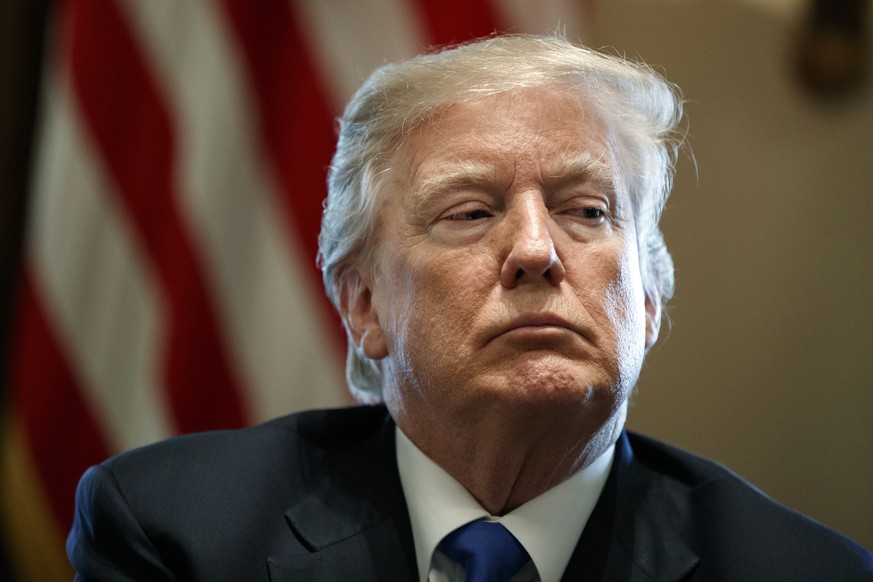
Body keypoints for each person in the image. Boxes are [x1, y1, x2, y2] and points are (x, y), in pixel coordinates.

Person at [68, 35, 873, 581]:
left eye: (587, 211)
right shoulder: (176, 534)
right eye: (470, 212)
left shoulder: (802, 572)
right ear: (363, 305)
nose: (535, 250)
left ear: (650, 297)